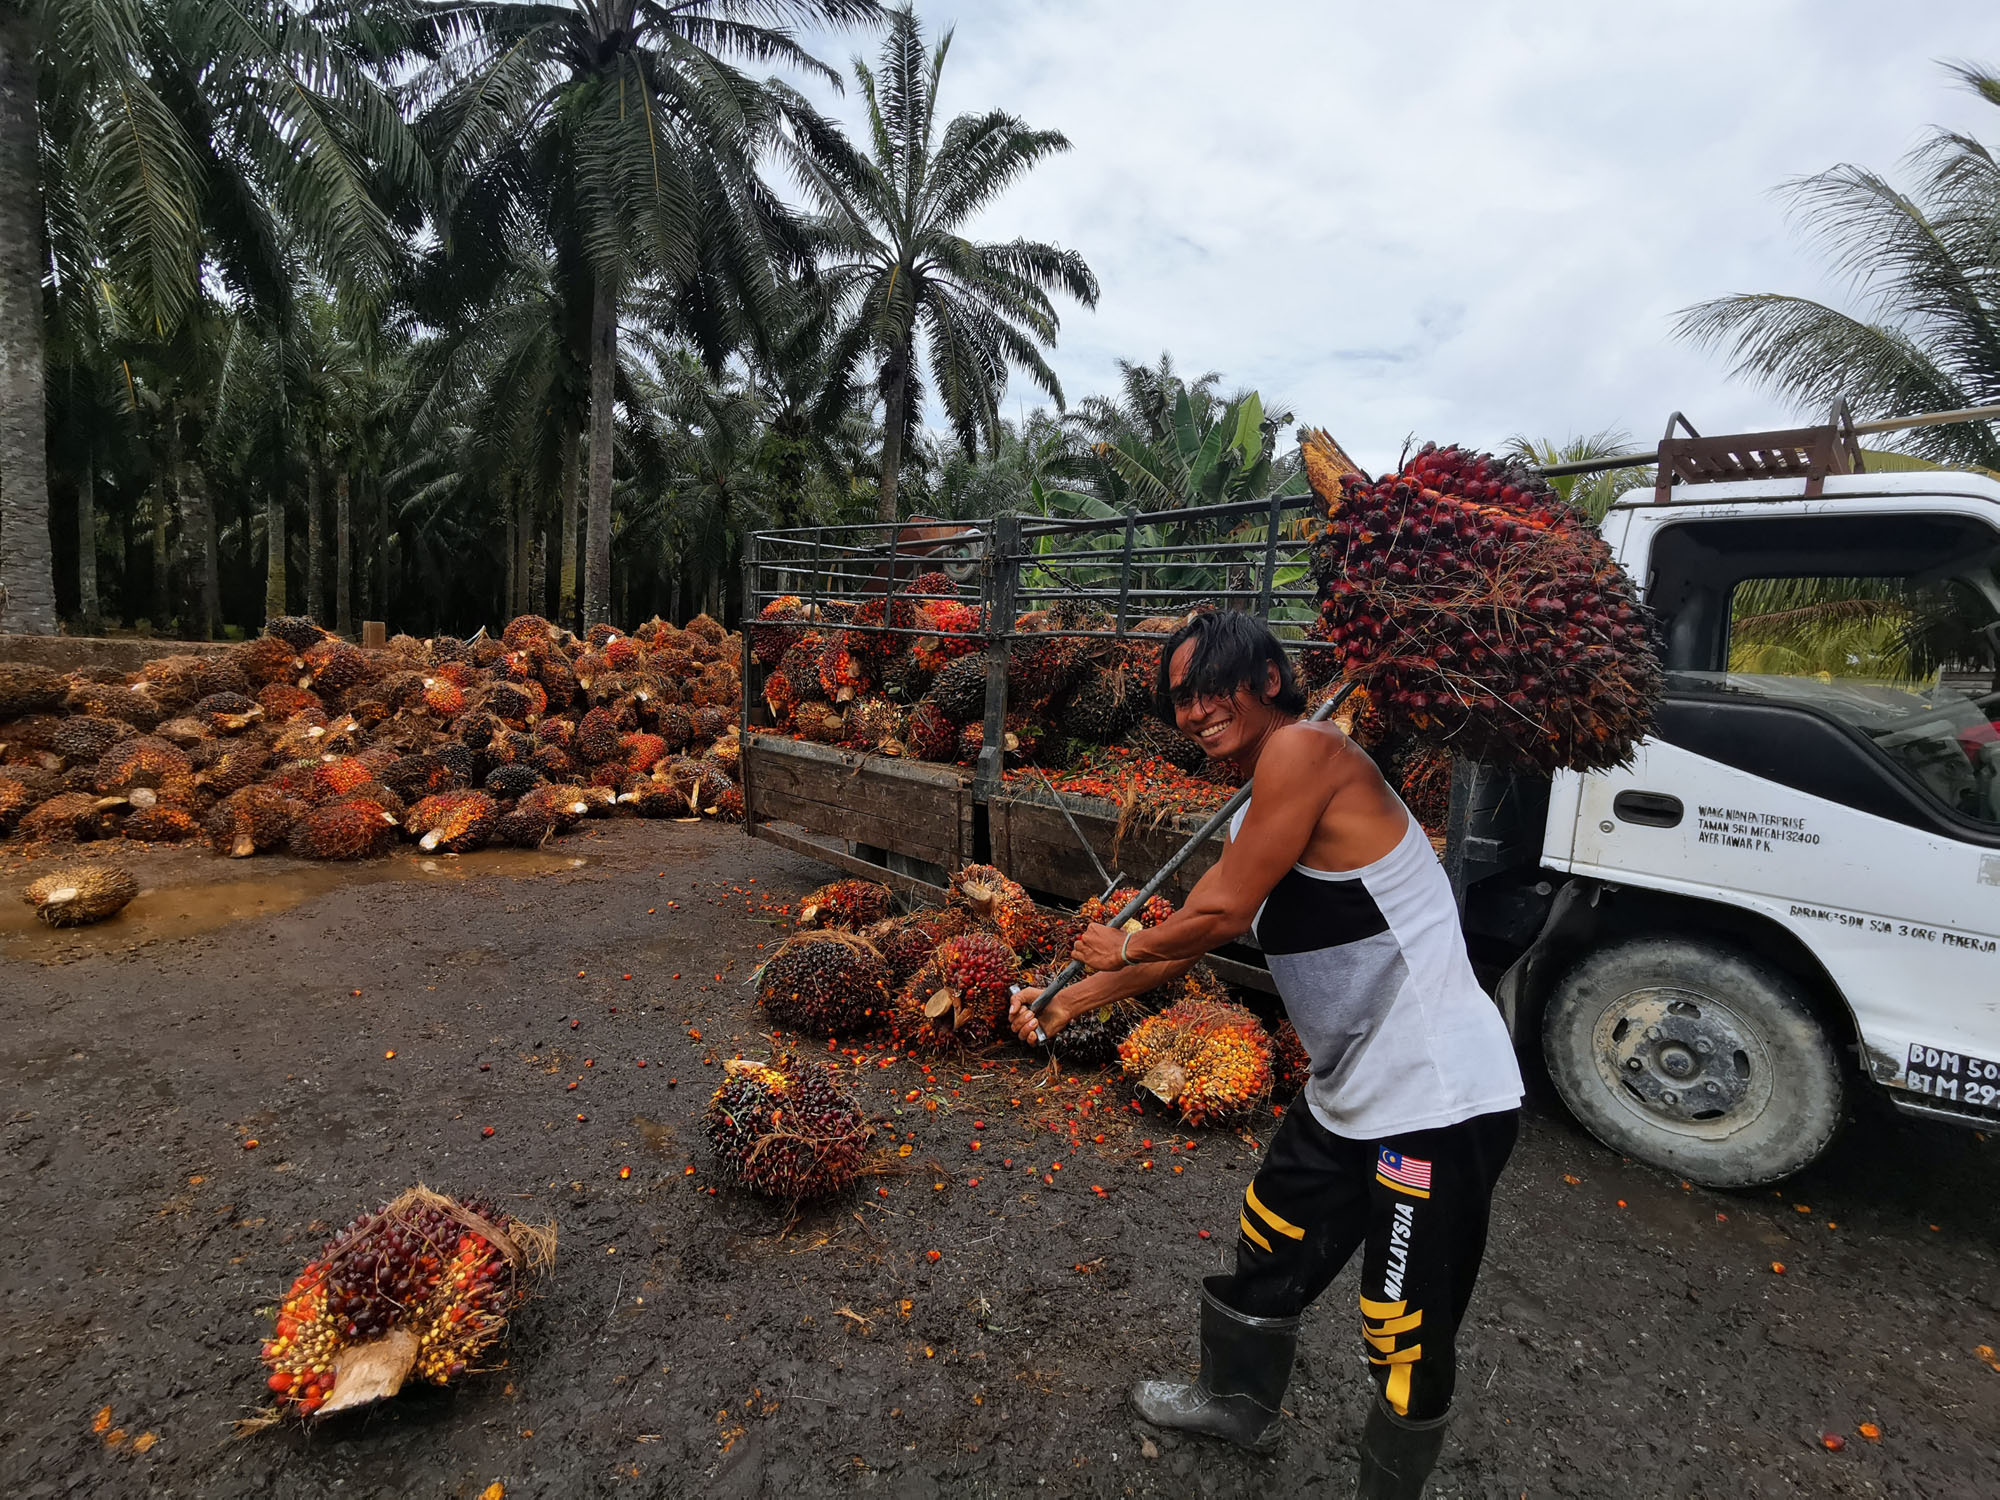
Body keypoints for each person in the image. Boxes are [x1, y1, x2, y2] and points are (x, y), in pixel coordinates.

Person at [1009, 610, 1523, 1499]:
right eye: (1179, 699)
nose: (1195, 710)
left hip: (1437, 1098)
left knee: (1401, 1323)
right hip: (1350, 1089)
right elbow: (1191, 938)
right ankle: (1236, 1405)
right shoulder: (1268, 798)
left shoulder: (1306, 753)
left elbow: (1216, 919)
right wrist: (1066, 1005)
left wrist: (1116, 950)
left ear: (1270, 681)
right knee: (1271, 1239)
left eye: (1213, 686)